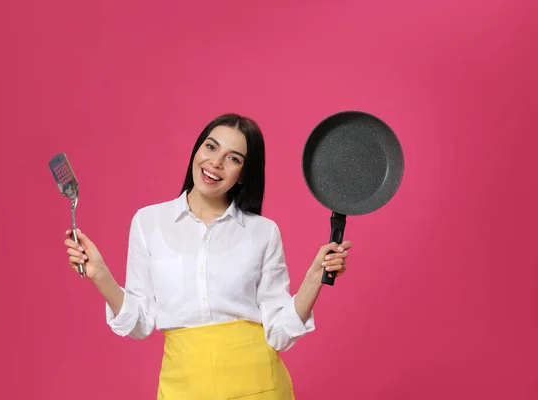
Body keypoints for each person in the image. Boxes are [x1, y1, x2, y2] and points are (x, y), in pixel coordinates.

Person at [64, 113, 352, 399]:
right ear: (197, 149)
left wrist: (313, 280)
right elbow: (139, 323)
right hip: (183, 387)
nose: (215, 163)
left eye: (234, 158)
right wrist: (100, 275)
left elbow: (278, 332)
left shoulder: (263, 232)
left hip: (259, 386)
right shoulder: (148, 222)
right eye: (211, 147)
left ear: (243, 176)